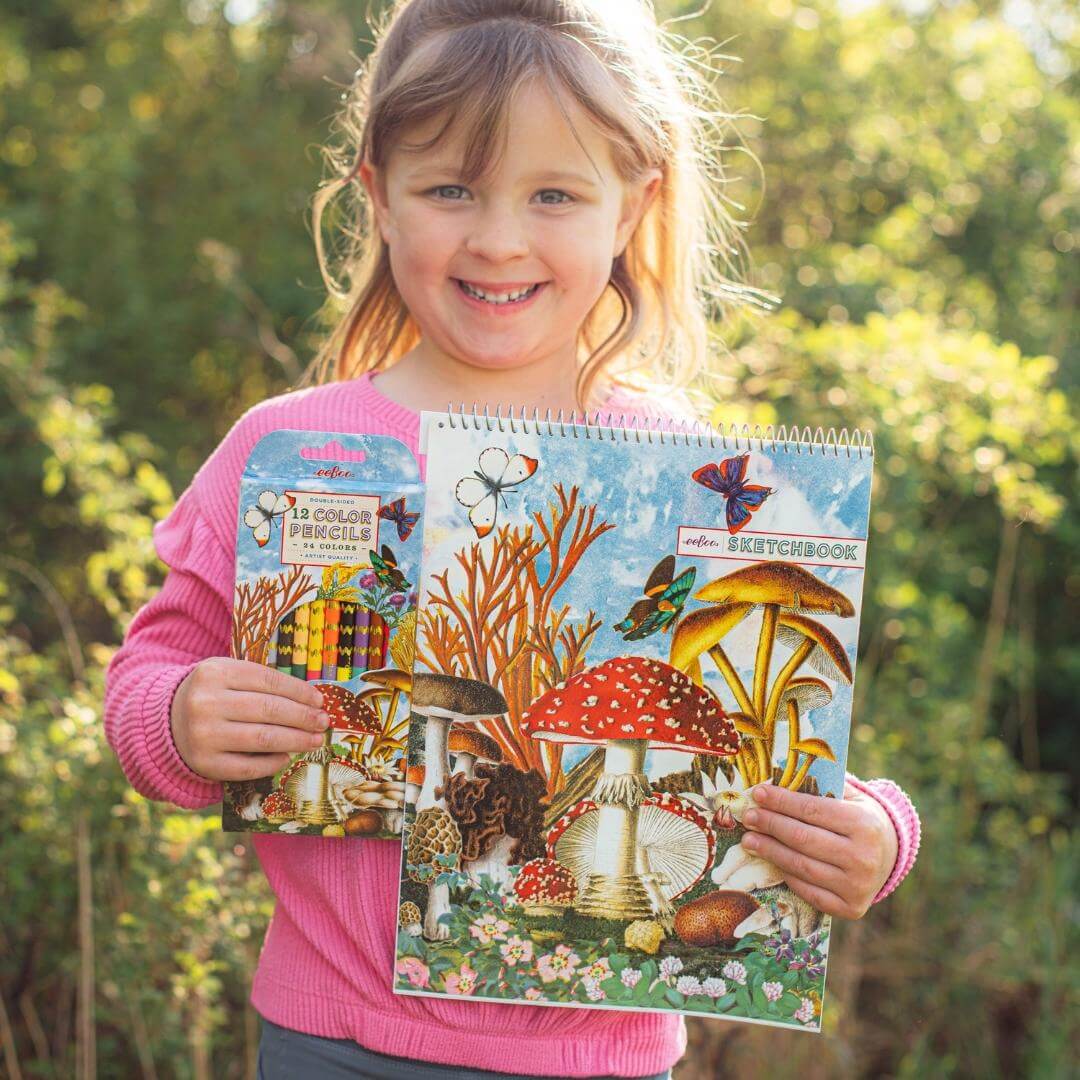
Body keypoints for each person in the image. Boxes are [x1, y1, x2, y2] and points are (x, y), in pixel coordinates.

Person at [104, 2, 921, 1077]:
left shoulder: (691, 471)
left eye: (554, 194)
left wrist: (874, 834)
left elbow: (780, 732)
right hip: (335, 1042)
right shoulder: (291, 449)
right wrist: (179, 714)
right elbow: (148, 675)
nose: (497, 238)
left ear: (635, 206)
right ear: (378, 195)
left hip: (610, 1059)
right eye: (450, 189)